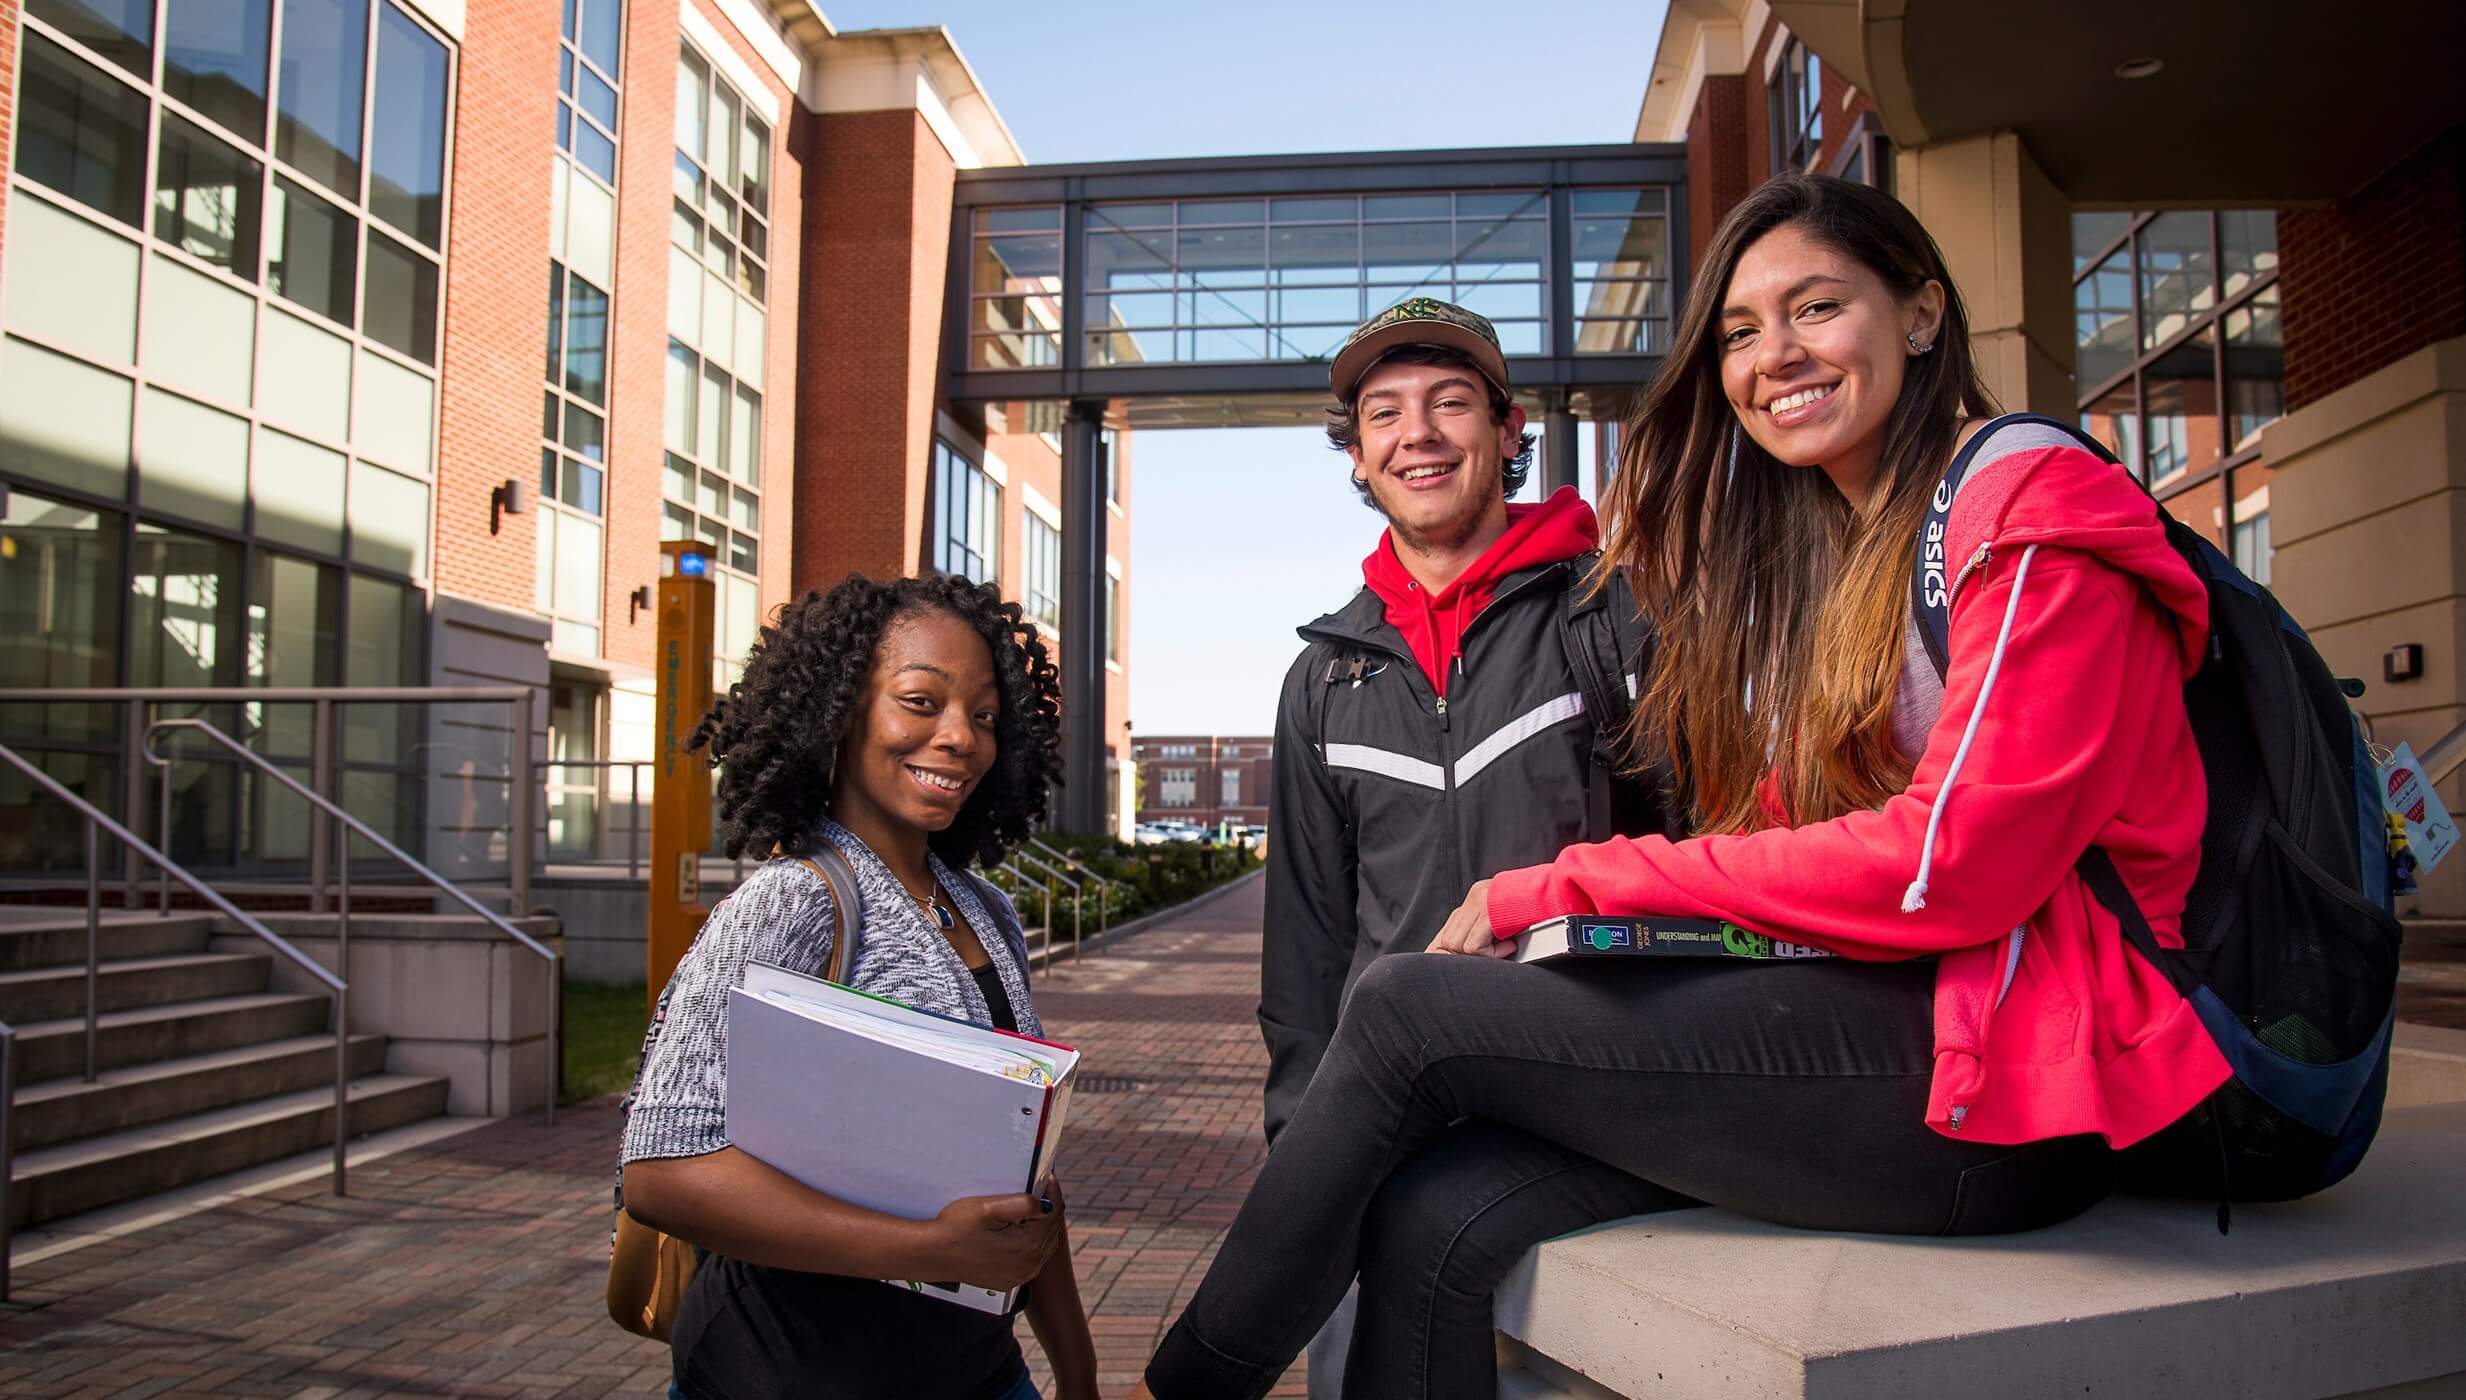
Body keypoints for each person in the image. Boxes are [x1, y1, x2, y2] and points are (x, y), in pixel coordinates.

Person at [1137, 174, 2234, 1399]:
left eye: (1816, 306)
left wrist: (1568, 881)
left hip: (2024, 1080)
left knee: (1403, 1007)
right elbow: (1781, 824)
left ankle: (1182, 1388)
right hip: (1898, 1034)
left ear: (1922, 313)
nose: (1777, 355)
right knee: (1430, 1213)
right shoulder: (1857, 547)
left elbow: (1951, 862)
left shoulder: (2028, 499)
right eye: (1741, 331)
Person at [1261, 298, 1677, 1394]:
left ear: (1508, 427)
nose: (1420, 433)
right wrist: (1305, 1148)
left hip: (1575, 1120)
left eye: (1451, 402)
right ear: (1357, 455)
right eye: (1385, 412)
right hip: (1382, 1134)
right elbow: (1306, 949)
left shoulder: (1613, 620)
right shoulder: (1324, 680)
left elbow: (1696, 858)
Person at [618, 573, 1098, 1400]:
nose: (960, 739)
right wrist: (932, 1250)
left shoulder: (985, 912)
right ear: (840, 711)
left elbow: (1024, 1178)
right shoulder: (790, 903)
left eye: (984, 717)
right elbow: (661, 1169)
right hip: (794, 1371)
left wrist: (1079, 1375)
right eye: (921, 701)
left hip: (977, 1371)